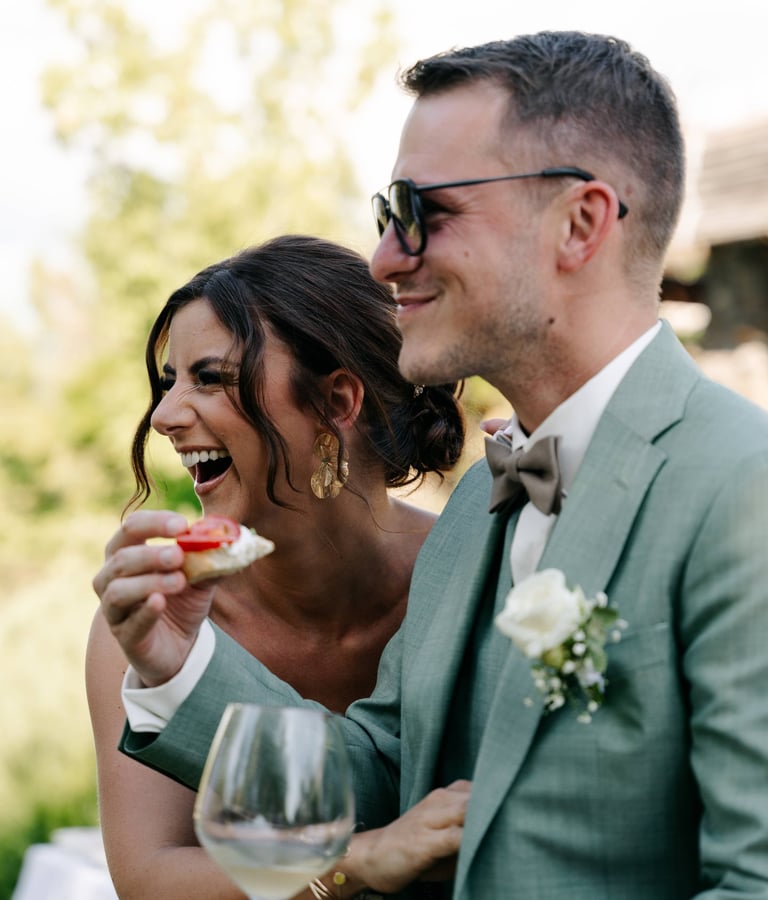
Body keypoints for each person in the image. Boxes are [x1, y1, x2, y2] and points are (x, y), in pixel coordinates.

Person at [104, 33, 768, 898]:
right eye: (388, 215)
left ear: (580, 224)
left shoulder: (741, 488)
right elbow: (387, 775)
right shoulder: (479, 504)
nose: (385, 257)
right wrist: (177, 665)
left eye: (426, 212)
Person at [89, 233, 470, 900]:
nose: (164, 416)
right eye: (169, 382)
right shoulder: (155, 620)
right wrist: (358, 861)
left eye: (210, 378)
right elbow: (149, 877)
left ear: (336, 402)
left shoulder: (469, 575)